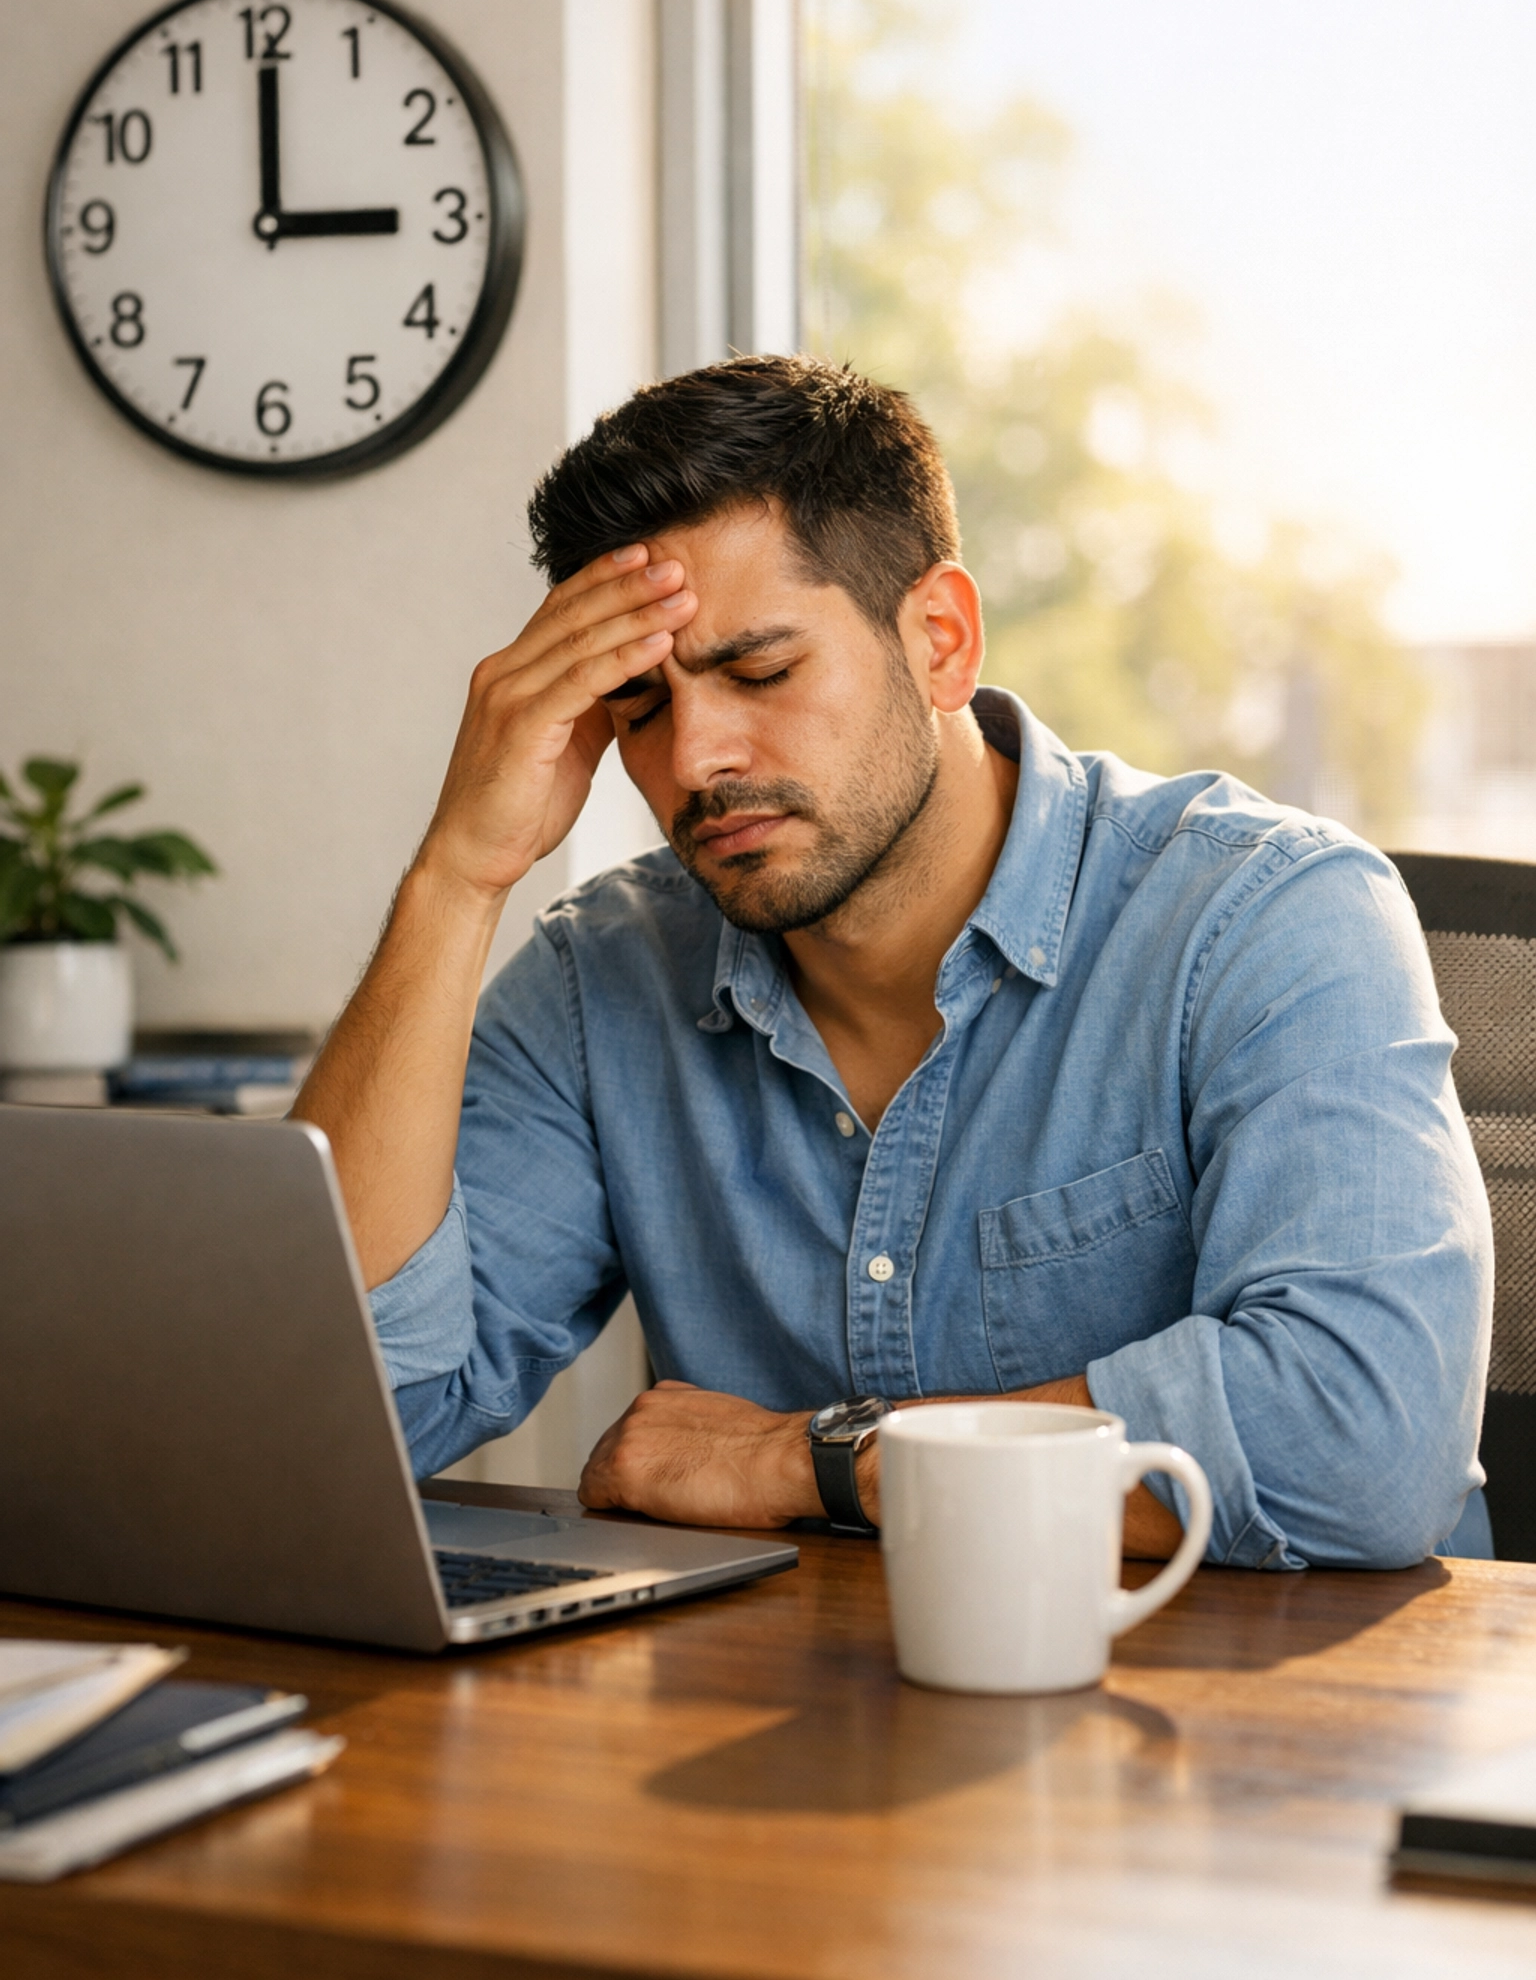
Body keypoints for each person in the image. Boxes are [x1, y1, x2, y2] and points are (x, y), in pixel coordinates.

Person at [294, 355, 1493, 1568]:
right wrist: (457, 879)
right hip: (797, 1718)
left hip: (1259, 1719)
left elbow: (1363, 1444)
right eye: (639, 709)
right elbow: (334, 1416)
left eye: (760, 672)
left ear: (941, 640)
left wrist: (797, 1458)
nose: (697, 757)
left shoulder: (1269, 918)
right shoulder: (599, 981)